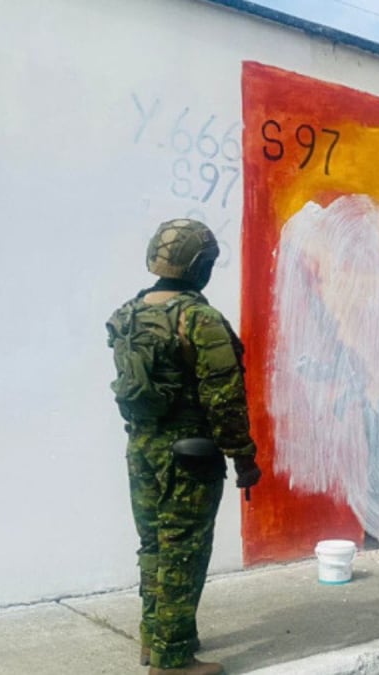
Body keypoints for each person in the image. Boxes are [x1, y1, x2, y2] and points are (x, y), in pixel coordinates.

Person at [106, 219, 262, 675]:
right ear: (200, 267)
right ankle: (173, 662)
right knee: (184, 550)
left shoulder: (129, 313)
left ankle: (155, 639)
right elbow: (225, 397)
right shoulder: (200, 319)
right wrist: (243, 458)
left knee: (154, 544)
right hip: (189, 457)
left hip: (142, 450)